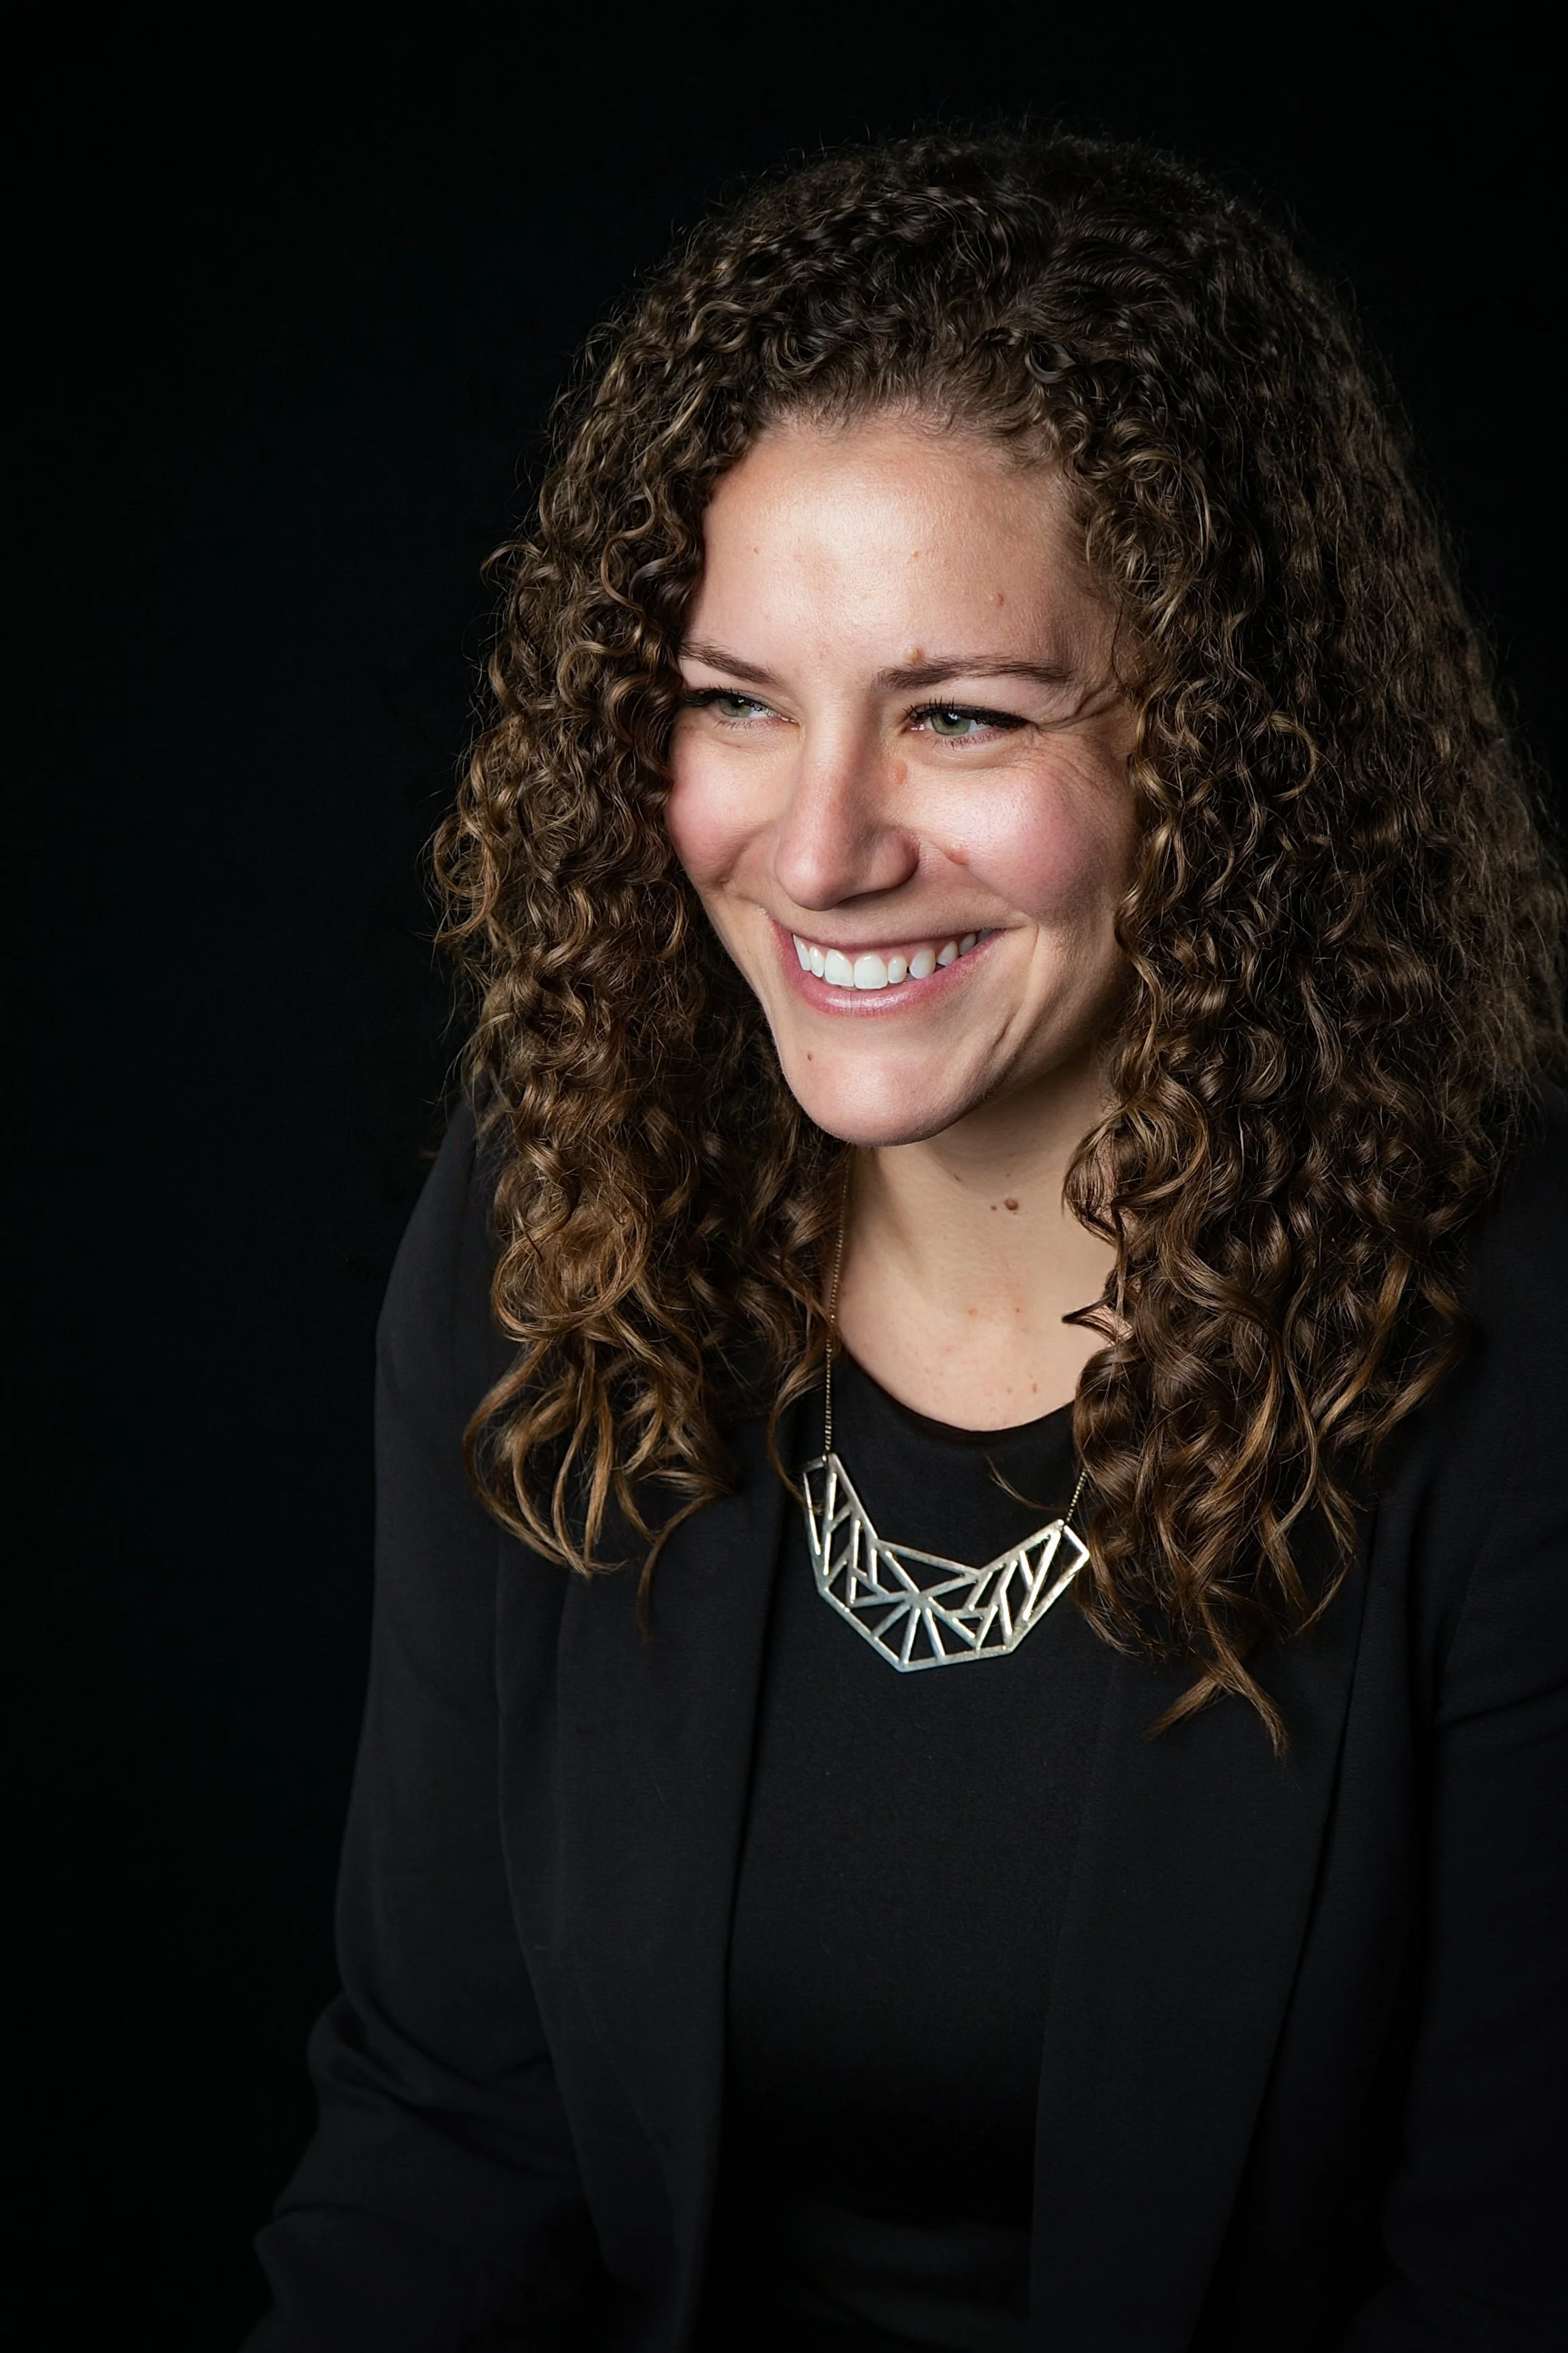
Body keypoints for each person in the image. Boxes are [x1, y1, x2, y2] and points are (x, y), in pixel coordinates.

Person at [245, 132, 1567, 2352]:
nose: (823, 847)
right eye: (731, 698)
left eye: (962, 713)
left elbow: (1504, 2283)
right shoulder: (553, 1216)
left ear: (1227, 759)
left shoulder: (1508, 1370)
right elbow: (451, 2125)